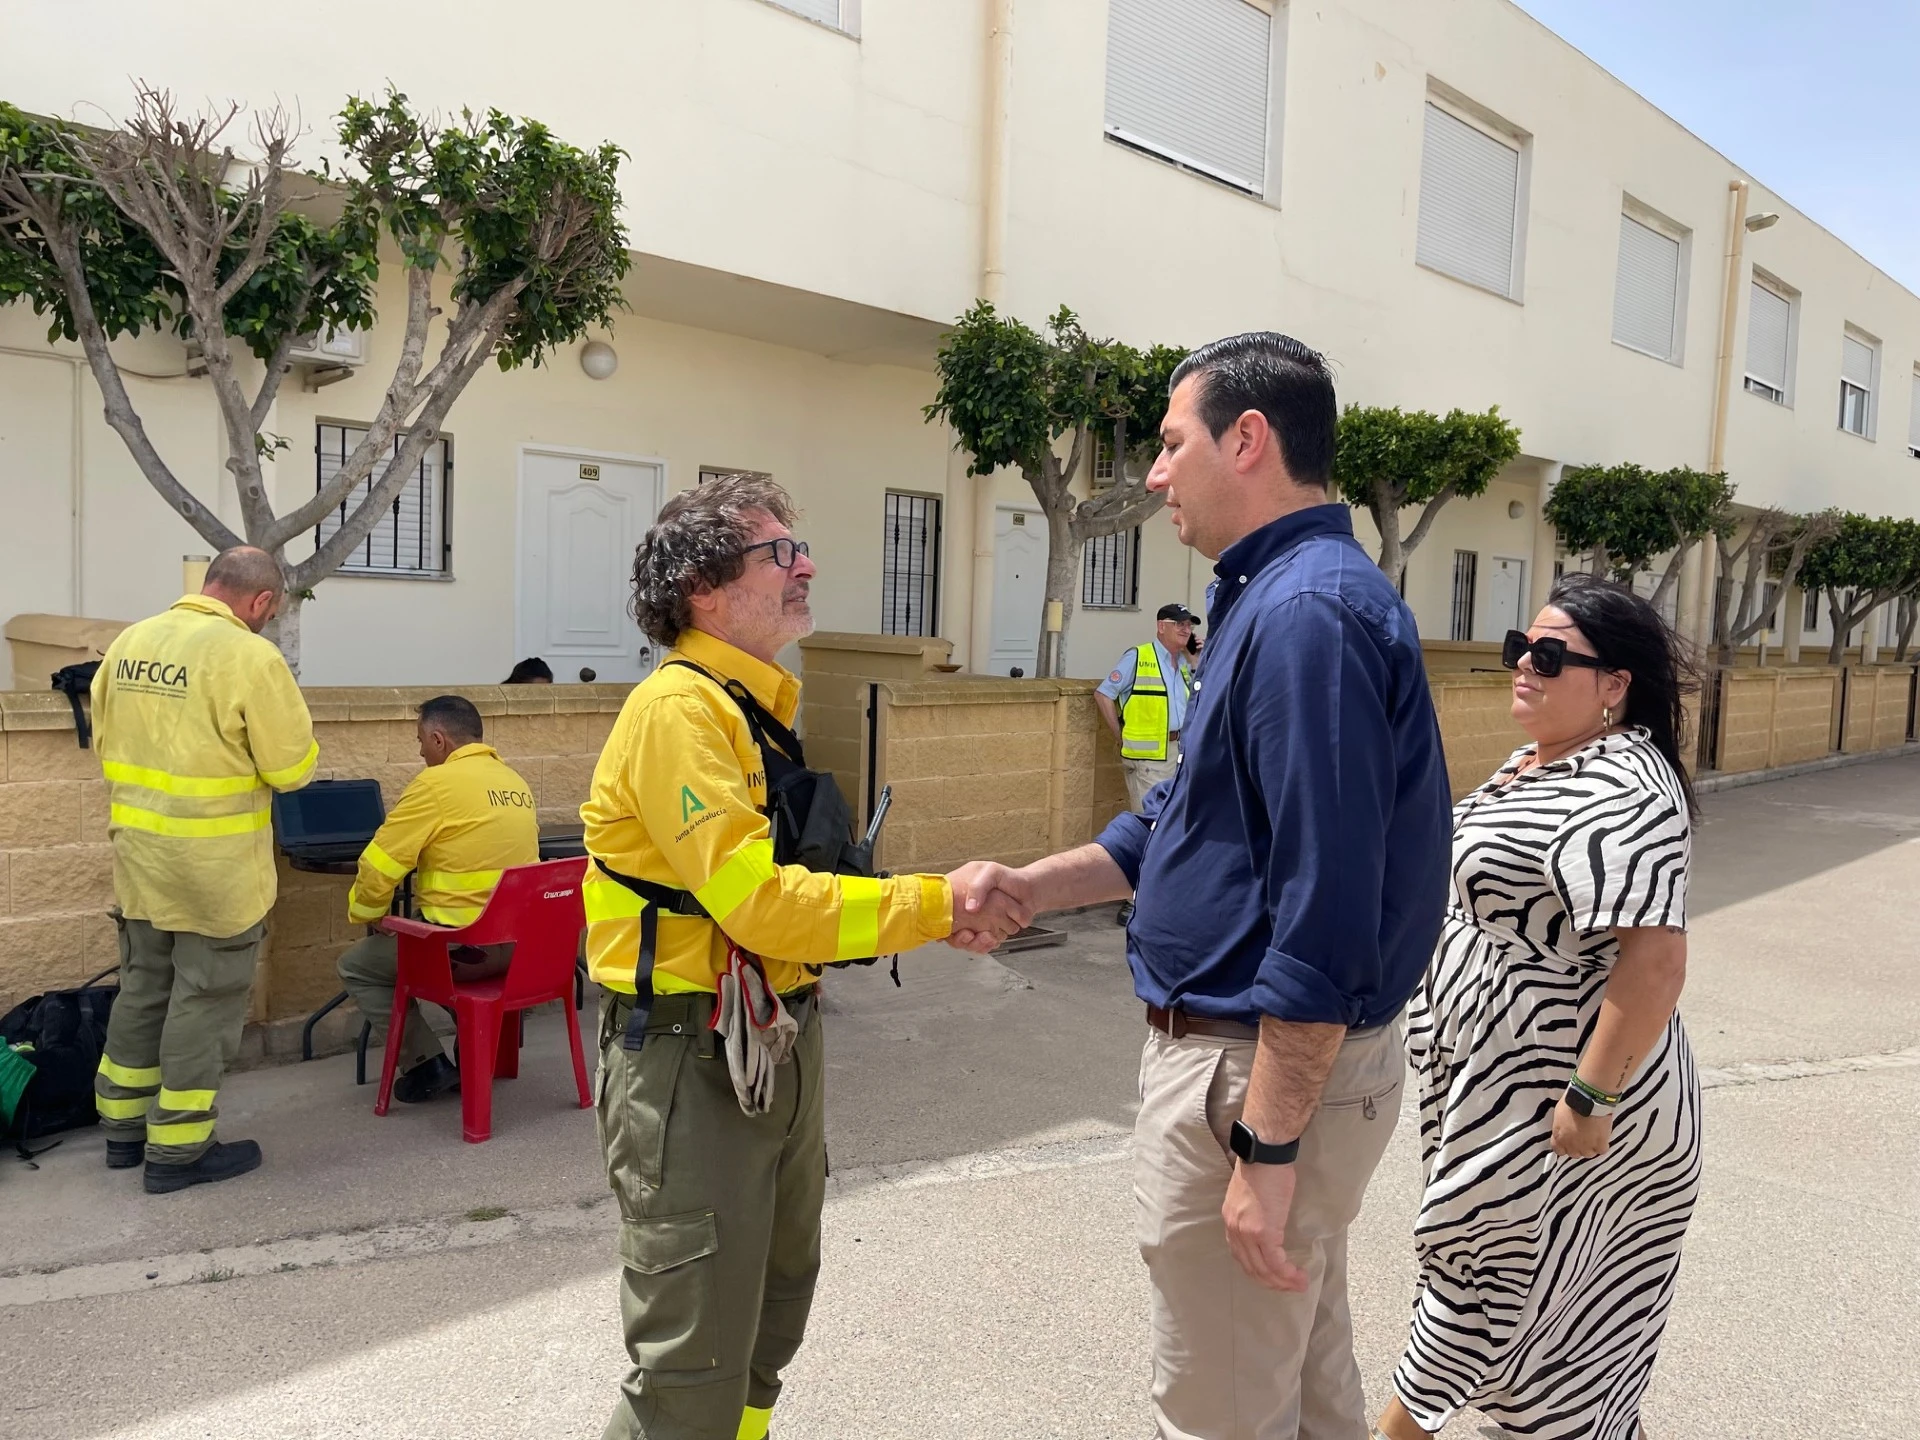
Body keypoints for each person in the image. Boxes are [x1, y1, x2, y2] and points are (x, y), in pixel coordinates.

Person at [954, 332, 1453, 1438]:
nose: (1155, 473)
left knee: (1222, 1412)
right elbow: (1182, 820)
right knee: (1308, 1391)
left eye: (1172, 444)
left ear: (1249, 438)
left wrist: (1265, 1150)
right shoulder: (1271, 599)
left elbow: (1323, 911)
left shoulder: (1304, 616)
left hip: (1252, 1071)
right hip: (1270, 1069)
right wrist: (1039, 883)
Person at [580, 473, 1026, 1440]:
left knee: (771, 1318)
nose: (806, 564)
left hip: (768, 1043)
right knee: (690, 1364)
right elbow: (763, 905)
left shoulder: (751, 708)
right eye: (779, 552)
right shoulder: (679, 714)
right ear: (703, 586)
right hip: (690, 1060)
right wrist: (937, 905)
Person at [1374, 576, 1701, 1440]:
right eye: (1522, 647)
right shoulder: (1541, 761)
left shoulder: (1626, 785)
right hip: (1498, 1083)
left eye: (1550, 657)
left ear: (1614, 683)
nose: (1524, 665)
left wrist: (1589, 1102)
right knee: (1552, 1342)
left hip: (1570, 1099)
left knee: (1487, 1282)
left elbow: (1657, 960)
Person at [89, 546, 318, 1193]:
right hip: (215, 873)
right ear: (262, 602)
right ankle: (178, 1150)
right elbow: (291, 768)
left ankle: (122, 1129)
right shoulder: (250, 656)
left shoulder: (130, 643)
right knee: (205, 1000)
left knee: (143, 987)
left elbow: (104, 742)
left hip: (140, 860)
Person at [335, 694, 540, 1104]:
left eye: (421, 741)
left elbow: (379, 865)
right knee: (430, 946)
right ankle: (475, 1051)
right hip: (523, 952)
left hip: (462, 953)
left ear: (439, 738)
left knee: (357, 966)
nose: (421, 751)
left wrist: (370, 914)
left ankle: (425, 1064)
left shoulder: (436, 785)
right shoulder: (514, 782)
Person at [1096, 603, 1198, 813]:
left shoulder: (1184, 663)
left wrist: (1195, 659)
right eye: (1179, 623)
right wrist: (1120, 735)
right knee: (1151, 820)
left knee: (1173, 819)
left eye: (1189, 625)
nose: (1186, 629)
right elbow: (1103, 694)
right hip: (1149, 759)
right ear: (1161, 626)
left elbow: (1200, 698)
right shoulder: (1138, 656)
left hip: (1178, 753)